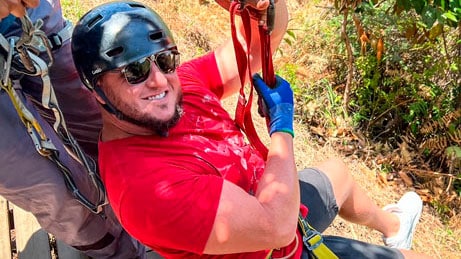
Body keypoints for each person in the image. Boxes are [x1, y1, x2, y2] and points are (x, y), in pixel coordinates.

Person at [71, 1, 433, 258]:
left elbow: (258, 44)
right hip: (273, 243)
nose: (158, 81)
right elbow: (274, 227)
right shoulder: (146, 190)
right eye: (134, 72)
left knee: (337, 175)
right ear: (96, 89)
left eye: (165, 60)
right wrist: (282, 130)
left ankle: (393, 226)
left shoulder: (182, 85)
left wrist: (263, 7)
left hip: (272, 203)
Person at [0, 0, 147, 258]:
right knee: (56, 191)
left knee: (105, 127)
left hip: (29, 19)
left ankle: (144, 219)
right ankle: (117, 252)